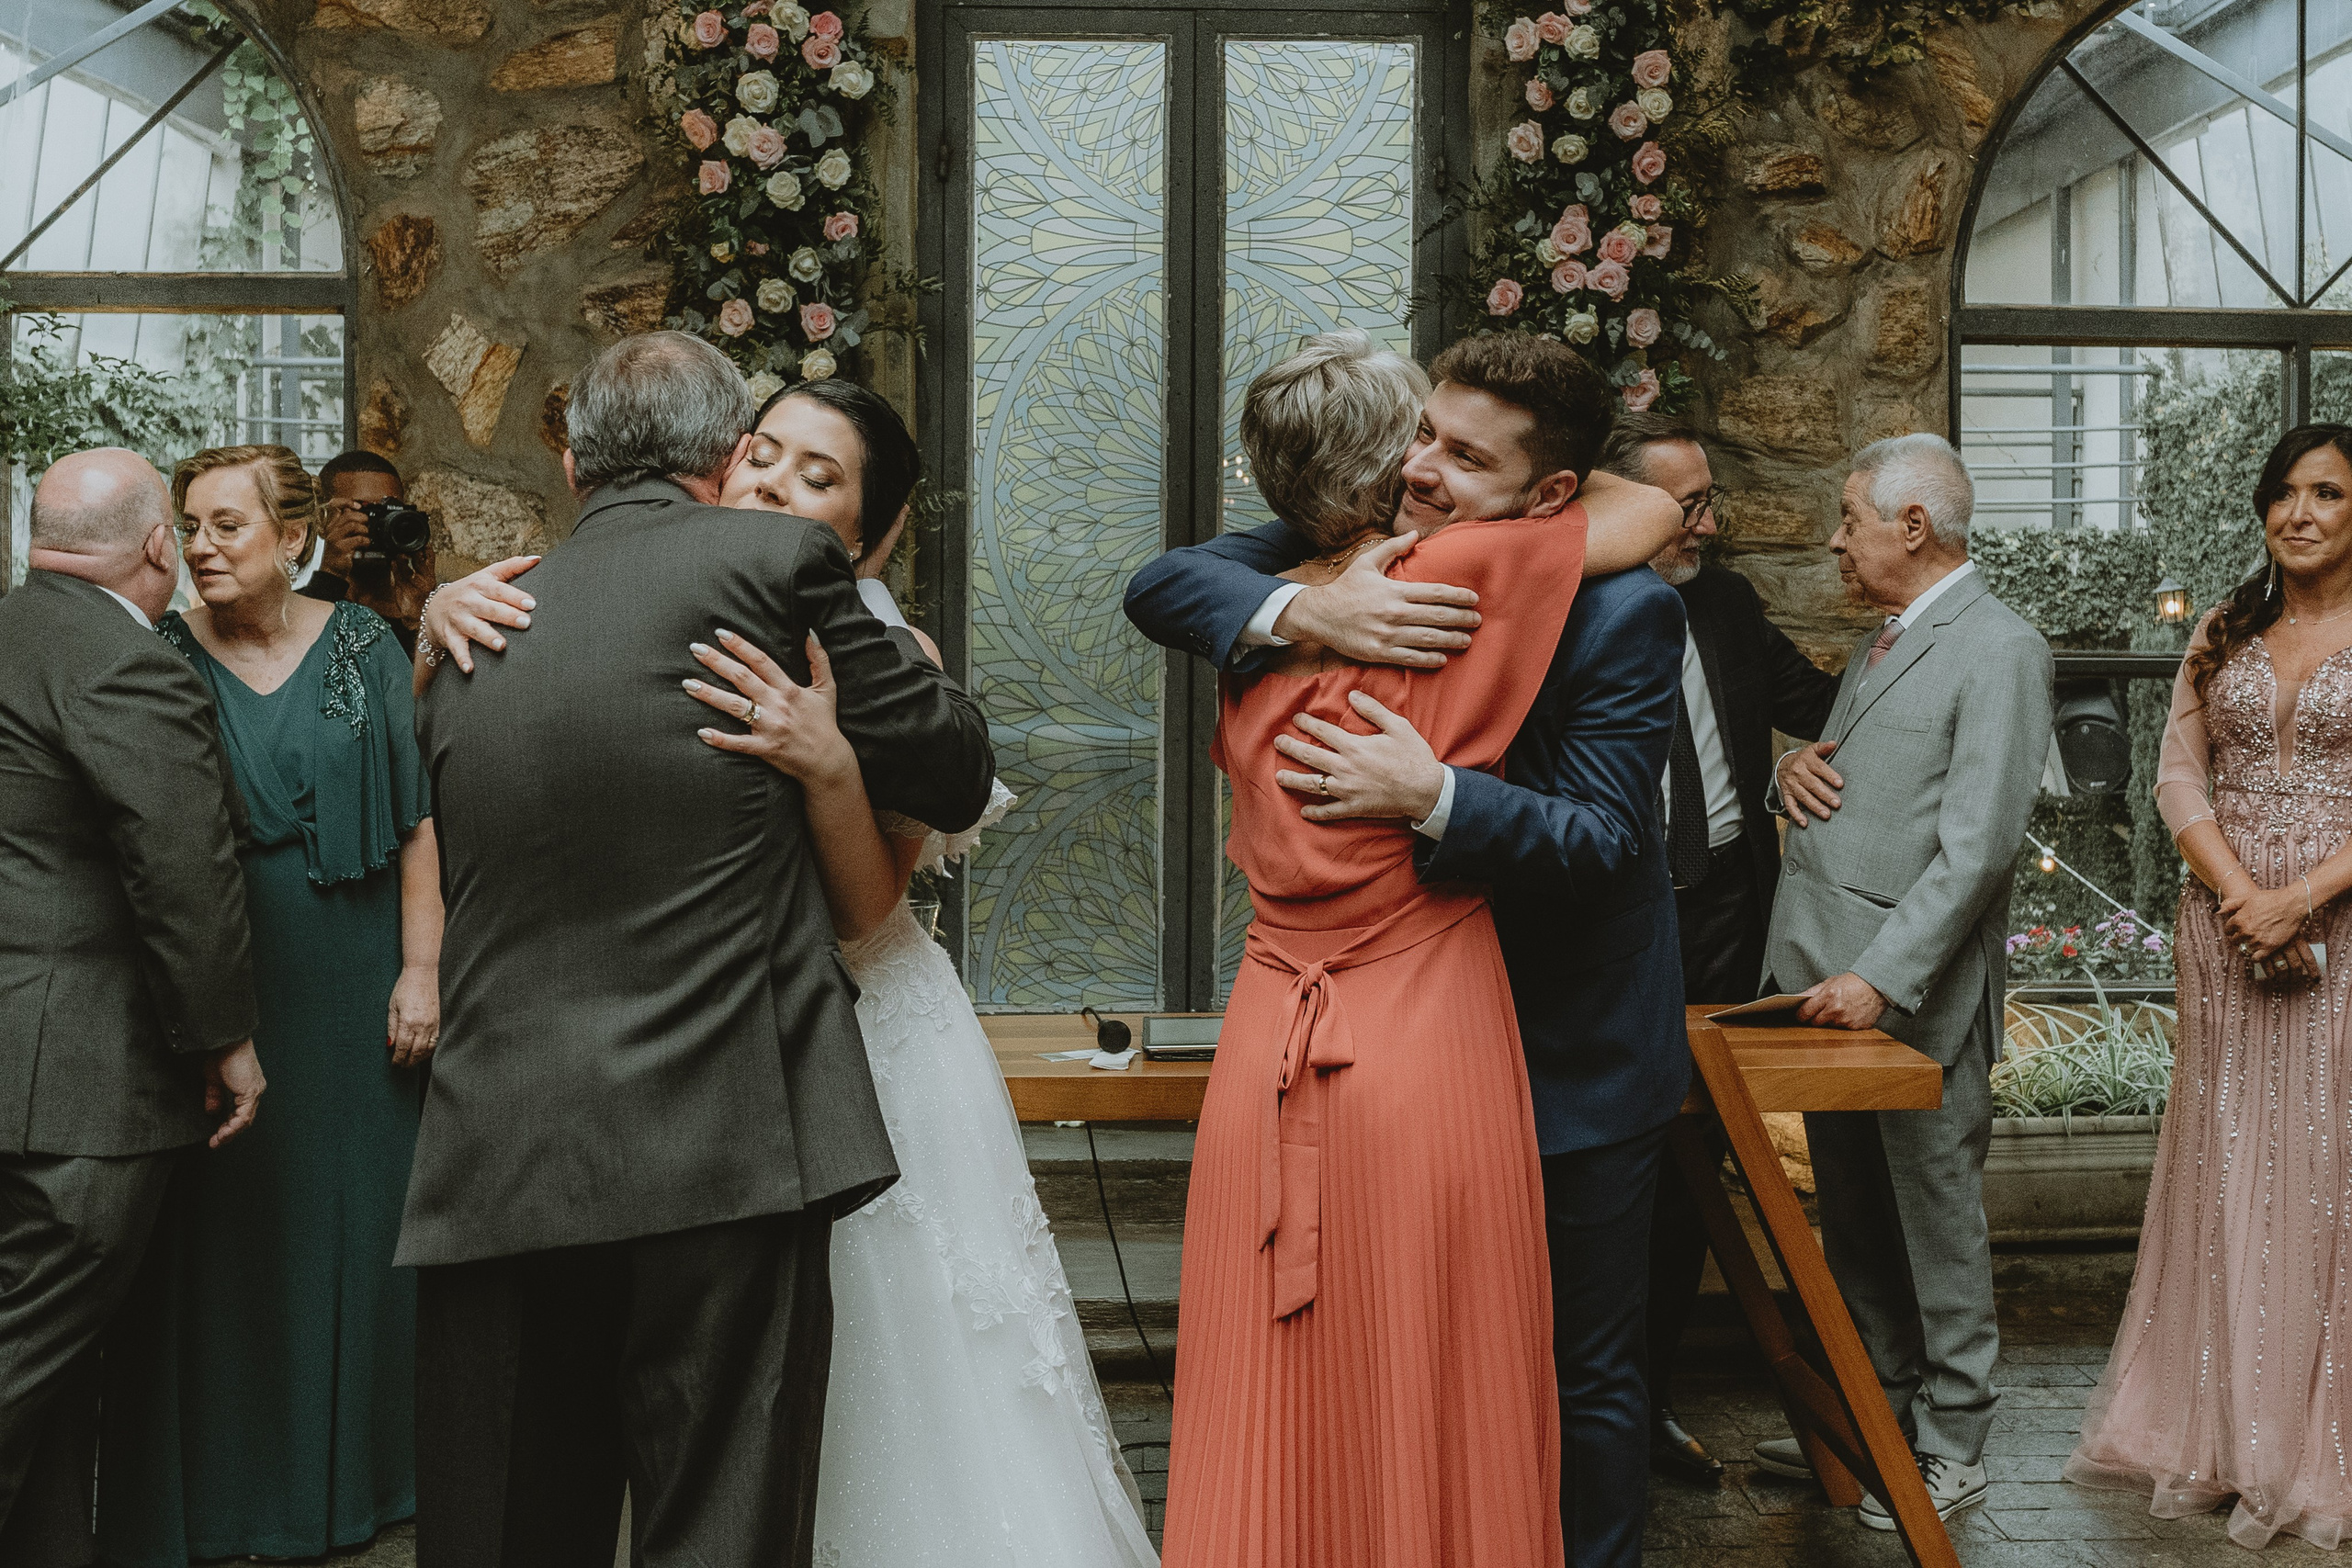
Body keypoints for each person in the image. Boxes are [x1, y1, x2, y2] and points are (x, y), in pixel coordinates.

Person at [417, 378, 1158, 1567]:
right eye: (763, 454)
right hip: (691, 1093)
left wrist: (825, 759)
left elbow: (869, 906)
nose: (772, 486)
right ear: (721, 456)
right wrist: (434, 609)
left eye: (819, 477)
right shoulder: (534, 609)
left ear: (870, 536)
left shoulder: (863, 643)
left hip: (808, 1058)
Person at [1125, 332, 1689, 1568]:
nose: (1421, 468)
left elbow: (1606, 841)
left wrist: (1434, 796)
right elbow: (1167, 582)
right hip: (1404, 1043)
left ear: (1550, 494)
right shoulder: (1359, 549)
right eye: (1425, 432)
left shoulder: (1624, 607)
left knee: (1580, 1373)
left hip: (1570, 1047)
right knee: (1400, 1355)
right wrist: (1309, 608)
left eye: (1466, 456)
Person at [96, 444, 439, 1566]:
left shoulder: (367, 646)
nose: (201, 547)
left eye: (227, 525)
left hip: (358, 978)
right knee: (231, 1235)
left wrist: (422, 969)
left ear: (293, 540)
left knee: (357, 1228)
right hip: (224, 983)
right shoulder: (160, 657)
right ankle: (236, 1493)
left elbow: (419, 824)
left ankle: (362, 1483)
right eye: (190, 525)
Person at [1755, 432, 2052, 1531]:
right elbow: (1862, 784)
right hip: (1825, 991)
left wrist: (1880, 980)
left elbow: (1978, 851)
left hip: (1908, 999)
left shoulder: (2001, 648)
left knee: (1932, 1225)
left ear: (1911, 526)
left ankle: (1952, 1442)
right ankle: (1873, 1421)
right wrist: (1788, 770)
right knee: (1855, 1221)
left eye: (1849, 520)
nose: (1835, 542)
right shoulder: (1881, 642)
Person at [2065, 423, 2352, 1551]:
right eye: (2283, 493)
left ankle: (2316, 1441)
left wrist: (2304, 898)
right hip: (2223, 929)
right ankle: (2229, 1431)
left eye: (2326, 493)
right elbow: (2176, 775)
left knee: (2330, 1161)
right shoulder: (2225, 628)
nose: (2299, 513)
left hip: (2342, 927)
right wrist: (2243, 897)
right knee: (2227, 1160)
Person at [0, 449, 264, 1568]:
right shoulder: (127, 662)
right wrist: (226, 1039)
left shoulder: (13, 634)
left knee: (53, 1377)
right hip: (78, 1088)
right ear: (159, 545)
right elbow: (183, 868)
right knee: (25, 1358)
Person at [1596, 414, 1838, 1486]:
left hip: (1725, 924)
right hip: (1607, 933)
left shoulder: (1728, 604)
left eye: (1707, 502)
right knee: (1607, 1177)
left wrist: (1794, 766)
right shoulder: (1564, 606)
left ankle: (1648, 1408)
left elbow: (1825, 706)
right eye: (1686, 505)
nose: (1706, 524)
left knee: (1691, 1179)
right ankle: (1583, 1415)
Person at [300, 450, 435, 655]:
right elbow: (299, 664)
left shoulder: (422, 612)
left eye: (389, 512)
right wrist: (329, 578)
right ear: (321, 521)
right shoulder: (292, 609)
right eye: (363, 511)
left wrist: (420, 622)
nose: (378, 525)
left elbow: (422, 677)